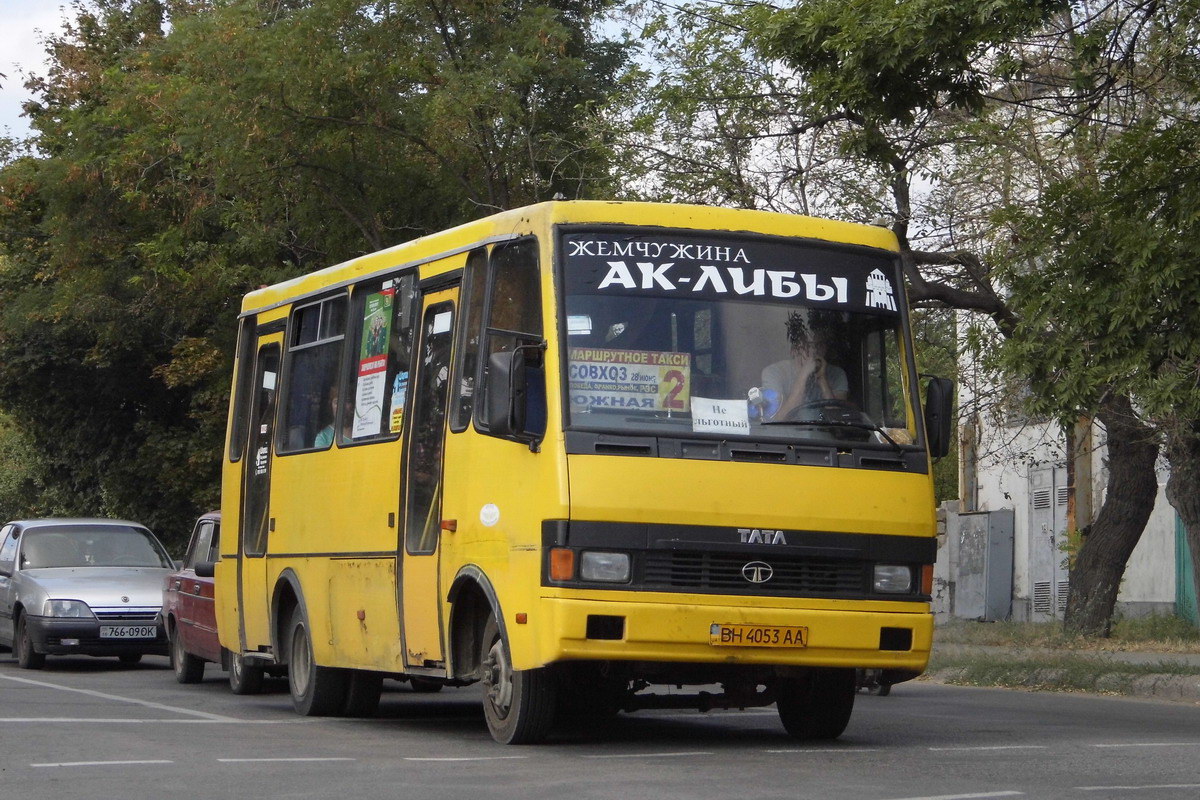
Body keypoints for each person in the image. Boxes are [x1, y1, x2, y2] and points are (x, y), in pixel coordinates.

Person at [760, 311, 848, 421]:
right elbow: (778, 419)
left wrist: (822, 379)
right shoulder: (773, 372)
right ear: (794, 350)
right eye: (807, 345)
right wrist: (803, 375)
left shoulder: (837, 374)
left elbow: (839, 420)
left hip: (824, 436)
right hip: (787, 436)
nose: (814, 351)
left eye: (819, 345)